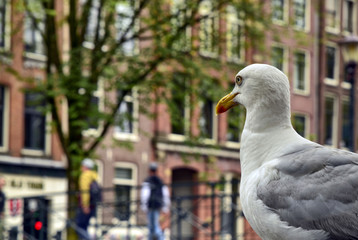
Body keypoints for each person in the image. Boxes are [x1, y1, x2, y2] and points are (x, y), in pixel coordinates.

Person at [141, 163, 170, 240]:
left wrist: (144, 207)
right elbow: (165, 195)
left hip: (151, 206)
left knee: (153, 226)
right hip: (157, 205)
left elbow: (145, 195)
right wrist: (165, 207)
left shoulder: (148, 181)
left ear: (149, 171)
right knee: (152, 227)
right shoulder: (160, 181)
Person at [76, 158, 98, 240]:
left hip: (85, 206)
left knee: (79, 226)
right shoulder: (94, 176)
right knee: (84, 226)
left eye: (82, 166)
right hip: (92, 205)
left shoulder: (85, 176)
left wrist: (85, 205)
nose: (81, 167)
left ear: (85, 167)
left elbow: (85, 192)